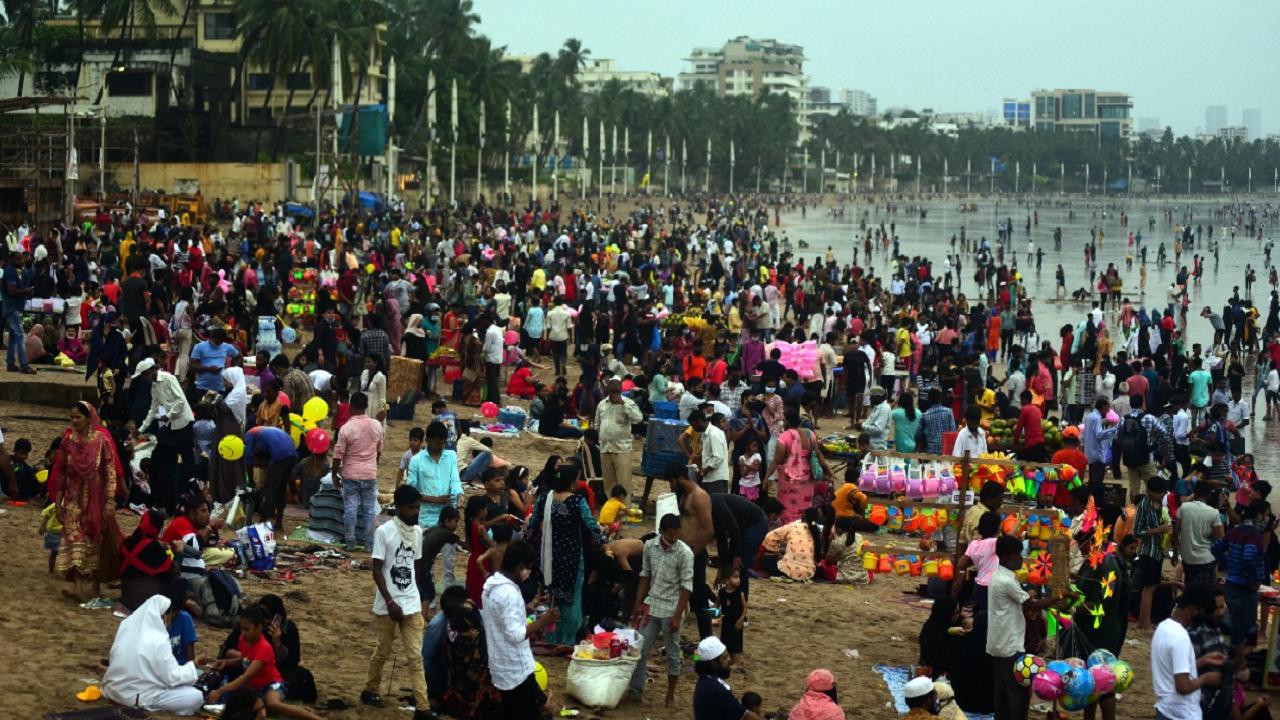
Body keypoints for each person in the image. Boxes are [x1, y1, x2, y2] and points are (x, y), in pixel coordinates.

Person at [359, 484, 435, 719]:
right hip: (387, 603)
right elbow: (377, 569)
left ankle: (423, 707)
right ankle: (370, 689)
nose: (415, 512)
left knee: (415, 656)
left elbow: (417, 565)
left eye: (417, 508)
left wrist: (417, 594)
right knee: (383, 650)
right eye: (411, 508)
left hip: (411, 601)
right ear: (399, 507)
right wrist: (390, 600)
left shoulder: (418, 532)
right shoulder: (384, 532)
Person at [987, 534, 1071, 720]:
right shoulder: (1006, 581)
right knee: (1017, 693)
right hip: (1009, 645)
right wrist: (1058, 596)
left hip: (997, 643)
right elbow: (1030, 605)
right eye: (1018, 555)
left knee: (1001, 692)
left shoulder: (999, 576)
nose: (1021, 559)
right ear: (1007, 557)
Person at [48, 400, 124, 603]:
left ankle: (96, 585)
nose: (74, 421)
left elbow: (110, 472)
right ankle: (78, 586)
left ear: (88, 418)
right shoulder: (68, 442)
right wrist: (58, 501)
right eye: (71, 417)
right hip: (73, 498)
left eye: (78, 417)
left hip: (96, 498)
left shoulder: (101, 441)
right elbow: (62, 472)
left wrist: (109, 501)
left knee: (95, 538)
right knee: (75, 539)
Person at [526, 458, 603, 646]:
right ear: (571, 481)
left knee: (553, 595)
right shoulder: (577, 502)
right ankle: (567, 639)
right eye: (576, 479)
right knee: (571, 599)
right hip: (571, 558)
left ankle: (551, 635)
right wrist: (601, 542)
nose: (578, 483)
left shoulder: (545, 498)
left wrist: (528, 544)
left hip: (548, 557)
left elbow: (533, 524)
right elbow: (591, 526)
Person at [205, 605, 324, 720]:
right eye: (241, 628)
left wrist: (220, 691)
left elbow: (247, 675)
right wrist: (226, 663)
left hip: (270, 683)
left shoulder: (264, 648)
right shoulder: (244, 640)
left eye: (247, 629)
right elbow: (245, 660)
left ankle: (315, 718)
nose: (243, 632)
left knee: (272, 704)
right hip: (253, 685)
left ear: (259, 628)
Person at [481, 539, 557, 719]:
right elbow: (515, 635)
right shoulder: (509, 593)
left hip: (499, 664)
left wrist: (526, 610)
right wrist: (544, 620)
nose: (528, 573)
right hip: (516, 668)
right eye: (528, 568)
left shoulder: (491, 586)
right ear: (520, 566)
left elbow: (500, 617)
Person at [101, 590, 204, 715]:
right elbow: (173, 677)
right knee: (195, 696)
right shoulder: (159, 639)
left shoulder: (126, 626)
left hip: (113, 690)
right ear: (164, 616)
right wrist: (195, 663)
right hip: (135, 697)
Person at [629, 512, 695, 707]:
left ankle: (670, 694)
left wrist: (677, 616)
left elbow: (686, 587)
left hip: (672, 607)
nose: (673, 539)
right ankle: (636, 690)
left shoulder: (684, 553)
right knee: (640, 648)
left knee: (673, 654)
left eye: (676, 535)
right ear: (662, 532)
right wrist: (638, 603)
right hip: (652, 604)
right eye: (670, 535)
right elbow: (645, 575)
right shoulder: (650, 546)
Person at [218, 595, 316, 704]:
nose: (266, 621)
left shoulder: (287, 628)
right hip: (247, 664)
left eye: (268, 616)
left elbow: (292, 661)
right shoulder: (249, 625)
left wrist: (277, 642)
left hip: (272, 671)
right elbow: (227, 650)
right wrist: (247, 658)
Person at [1151, 583, 1226, 720]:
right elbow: (1183, 686)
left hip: (1165, 708)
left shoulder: (1163, 627)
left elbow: (1174, 670)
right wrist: (1206, 678)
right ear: (1194, 610)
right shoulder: (1181, 638)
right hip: (1182, 713)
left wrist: (1203, 661)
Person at [407, 420, 462, 589]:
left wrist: (459, 493)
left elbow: (455, 479)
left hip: (448, 515)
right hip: (427, 515)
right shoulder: (416, 460)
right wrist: (434, 499)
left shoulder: (451, 456)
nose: (441, 446)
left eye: (443, 442)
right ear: (428, 440)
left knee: (449, 560)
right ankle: (427, 596)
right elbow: (411, 490)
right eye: (438, 442)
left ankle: (449, 594)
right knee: (427, 560)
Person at [334, 391, 384, 551]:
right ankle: (369, 545)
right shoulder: (376, 425)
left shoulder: (346, 428)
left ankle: (350, 543)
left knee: (350, 509)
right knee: (369, 510)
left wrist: (334, 474)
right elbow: (379, 451)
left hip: (350, 474)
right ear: (366, 406)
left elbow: (337, 455)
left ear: (352, 406)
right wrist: (372, 465)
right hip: (370, 474)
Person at [764, 408, 832, 523]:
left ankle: (790, 529)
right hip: (807, 478)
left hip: (789, 480)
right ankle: (804, 525)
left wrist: (766, 478)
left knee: (787, 508)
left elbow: (777, 460)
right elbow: (818, 453)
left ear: (786, 422)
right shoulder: (810, 434)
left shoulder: (784, 437)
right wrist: (828, 470)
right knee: (805, 504)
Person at [692, 636, 763, 720]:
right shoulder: (716, 690)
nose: (729, 660)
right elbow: (746, 717)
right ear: (714, 664)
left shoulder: (706, 680)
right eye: (725, 658)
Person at [244, 425, 297, 533]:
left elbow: (248, 460)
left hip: (280, 455)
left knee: (270, 491)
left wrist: (250, 481)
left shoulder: (249, 435)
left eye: (258, 465)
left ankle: (261, 523)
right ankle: (279, 523)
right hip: (293, 454)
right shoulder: (264, 433)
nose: (258, 467)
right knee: (281, 489)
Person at [594, 377, 643, 496]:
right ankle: (612, 510)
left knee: (623, 484)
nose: (615, 395)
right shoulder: (602, 404)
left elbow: (638, 418)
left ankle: (623, 511)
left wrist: (623, 405)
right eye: (612, 392)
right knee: (609, 484)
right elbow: (597, 424)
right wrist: (601, 438)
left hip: (622, 450)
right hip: (605, 449)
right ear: (608, 391)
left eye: (617, 392)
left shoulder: (628, 403)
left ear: (621, 391)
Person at [1177, 480, 1225, 587]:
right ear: (1208, 495)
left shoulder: (1183, 508)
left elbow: (1175, 533)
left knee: (1190, 588)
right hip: (1206, 559)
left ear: (1194, 492)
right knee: (1207, 593)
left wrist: (1175, 554)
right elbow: (1221, 539)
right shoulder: (1214, 512)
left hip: (1187, 559)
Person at [717, 566, 747, 666]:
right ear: (726, 580)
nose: (738, 580)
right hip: (726, 622)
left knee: (735, 644)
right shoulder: (721, 593)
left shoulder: (740, 593)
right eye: (735, 577)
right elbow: (716, 606)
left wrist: (741, 619)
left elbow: (744, 607)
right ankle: (727, 660)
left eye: (738, 577)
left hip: (736, 622)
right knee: (725, 641)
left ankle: (733, 662)